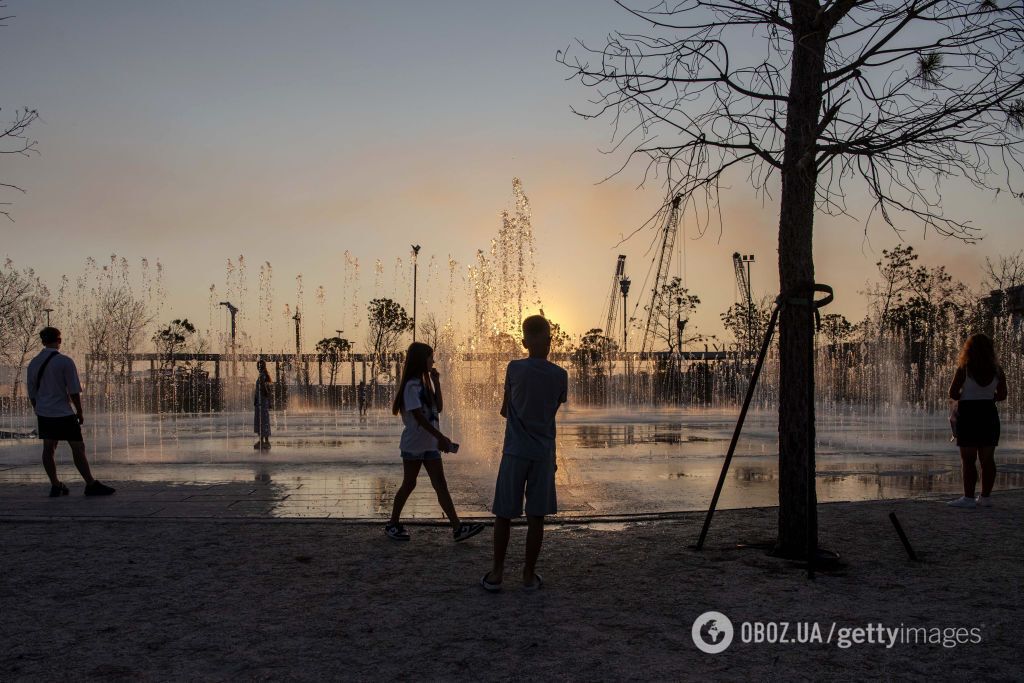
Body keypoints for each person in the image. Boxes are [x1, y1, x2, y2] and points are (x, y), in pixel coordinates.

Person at [481, 315, 568, 592]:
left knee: (504, 515)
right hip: (542, 454)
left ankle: (496, 573)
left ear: (524, 342)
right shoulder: (560, 375)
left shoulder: (514, 369)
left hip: (515, 451)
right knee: (536, 518)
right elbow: (550, 417)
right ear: (549, 341)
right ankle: (528, 575)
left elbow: (505, 410)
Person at [385, 342, 484, 543]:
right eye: (431, 357)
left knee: (440, 485)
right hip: (414, 444)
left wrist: (436, 383)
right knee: (409, 483)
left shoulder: (424, 383)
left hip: (430, 444)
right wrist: (441, 437)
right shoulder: (411, 386)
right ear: (422, 360)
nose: (434, 361)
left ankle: (457, 528)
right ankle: (393, 523)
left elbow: (437, 408)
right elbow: (420, 419)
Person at [26, 327, 115, 497]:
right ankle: (90, 484)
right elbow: (73, 390)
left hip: (44, 412)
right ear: (59, 340)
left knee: (48, 448)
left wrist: (38, 408)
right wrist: (80, 411)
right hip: (63, 413)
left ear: (43, 342)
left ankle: (55, 485)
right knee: (77, 447)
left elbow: (31, 391)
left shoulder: (33, 363)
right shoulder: (65, 361)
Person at [947, 333, 1008, 508]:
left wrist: (966, 397)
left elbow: (952, 392)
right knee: (988, 459)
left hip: (969, 414)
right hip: (988, 413)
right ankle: (986, 497)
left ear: (969, 349)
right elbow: (1003, 395)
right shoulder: (997, 370)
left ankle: (968, 498)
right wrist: (988, 397)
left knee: (968, 459)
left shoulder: (964, 368)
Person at [253, 360, 272, 450]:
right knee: (263, 420)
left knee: (262, 420)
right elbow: (266, 389)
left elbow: (265, 389)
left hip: (262, 402)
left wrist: (261, 398)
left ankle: (264, 441)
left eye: (258, 366)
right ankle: (263, 440)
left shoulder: (262, 376)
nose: (257, 368)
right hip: (262, 401)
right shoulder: (264, 376)